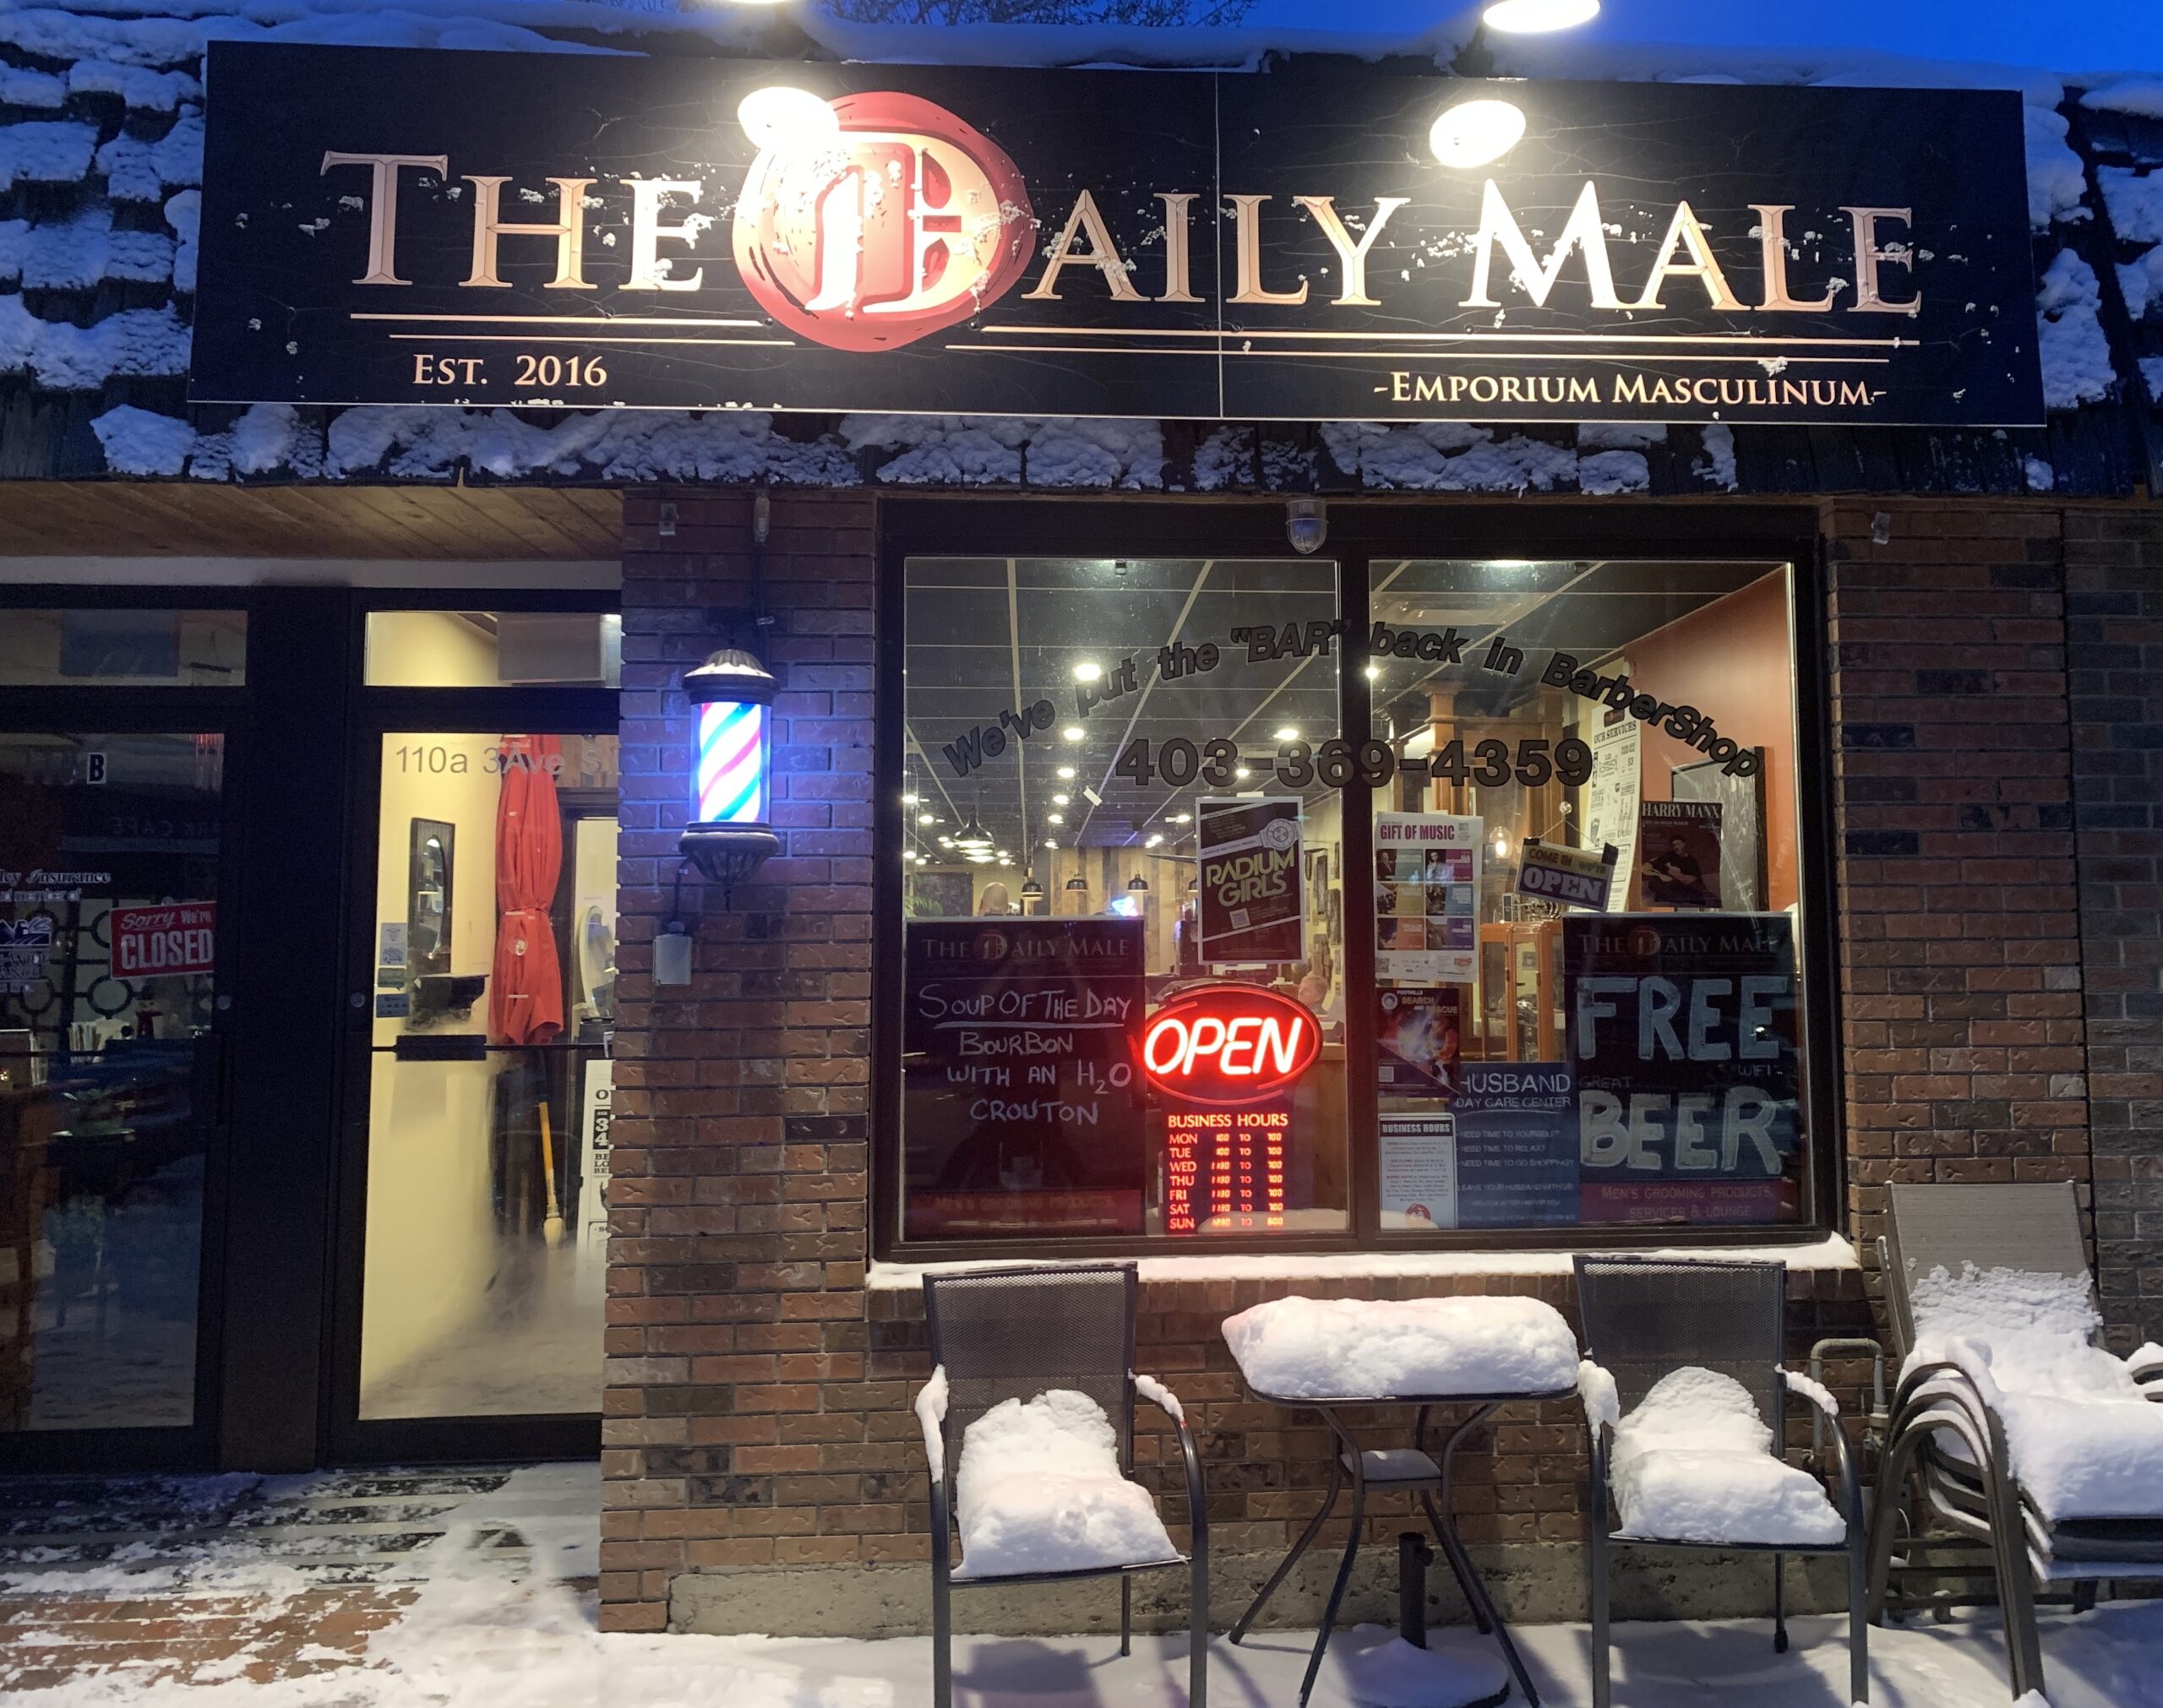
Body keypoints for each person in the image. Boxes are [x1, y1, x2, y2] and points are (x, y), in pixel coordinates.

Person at [1641, 835, 1715, 908]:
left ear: (1684, 844)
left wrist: (1681, 877)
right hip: (1669, 884)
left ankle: (1666, 896)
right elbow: (1655, 863)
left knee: (1693, 891)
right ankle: (1668, 896)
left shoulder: (1691, 860)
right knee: (1653, 882)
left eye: (1678, 844)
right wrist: (1666, 870)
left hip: (1684, 885)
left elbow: (1695, 878)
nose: (1676, 847)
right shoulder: (1669, 855)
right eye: (1674, 845)